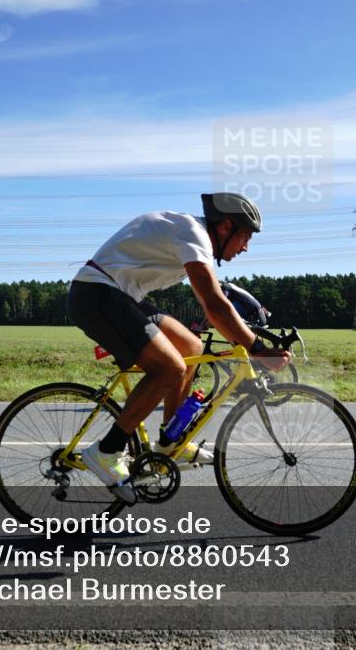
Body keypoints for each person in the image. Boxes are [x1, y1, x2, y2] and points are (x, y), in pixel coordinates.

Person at [67, 192, 291, 501]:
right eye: (245, 237)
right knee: (169, 367)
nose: (246, 247)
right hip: (97, 294)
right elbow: (214, 304)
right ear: (226, 226)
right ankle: (107, 450)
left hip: (120, 295)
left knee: (191, 345)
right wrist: (257, 348)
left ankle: (170, 441)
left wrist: (244, 333)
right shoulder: (193, 234)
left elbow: (214, 303)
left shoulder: (192, 238)